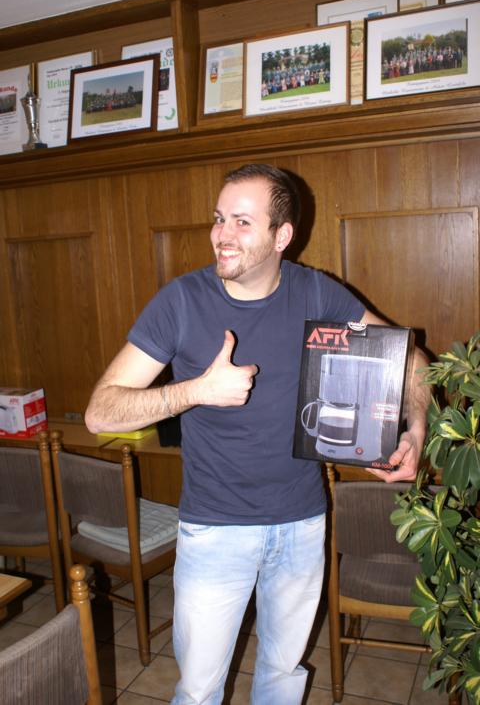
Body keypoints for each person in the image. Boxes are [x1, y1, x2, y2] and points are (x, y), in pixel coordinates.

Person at [85, 163, 430, 705]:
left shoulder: (315, 292)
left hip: (301, 524)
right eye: (219, 218)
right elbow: (100, 412)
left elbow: (410, 358)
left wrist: (416, 426)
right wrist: (195, 391)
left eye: (242, 222)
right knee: (199, 690)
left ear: (281, 236)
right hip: (214, 529)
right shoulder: (181, 301)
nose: (222, 234)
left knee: (282, 673)